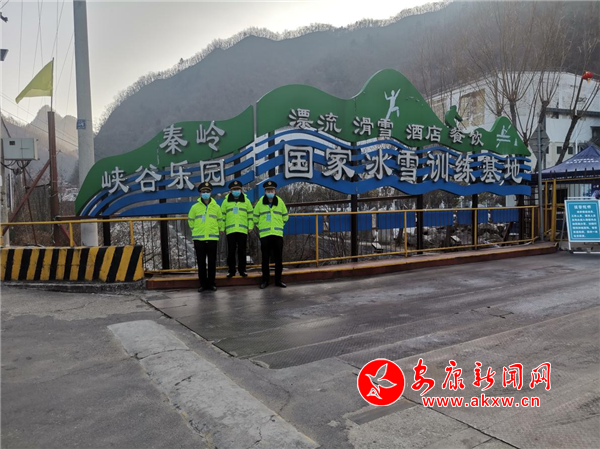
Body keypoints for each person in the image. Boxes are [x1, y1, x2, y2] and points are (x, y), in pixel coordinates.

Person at [188, 182, 224, 292]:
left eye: (207, 191)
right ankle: (203, 284)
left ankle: (212, 283)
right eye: (203, 191)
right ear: (200, 193)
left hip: (212, 238)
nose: (205, 193)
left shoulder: (216, 207)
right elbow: (190, 220)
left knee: (212, 263)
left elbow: (220, 220)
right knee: (201, 263)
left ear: (210, 192)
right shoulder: (195, 207)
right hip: (199, 239)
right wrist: (195, 230)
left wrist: (221, 229)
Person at [253, 180, 289, 289]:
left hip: (277, 234)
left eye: (272, 190)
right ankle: (265, 281)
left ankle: (278, 280)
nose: (270, 192)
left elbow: (285, 217)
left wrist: (279, 226)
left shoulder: (280, 202)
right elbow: (255, 218)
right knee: (265, 259)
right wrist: (261, 227)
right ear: (265, 191)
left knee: (278, 259)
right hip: (265, 235)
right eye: (268, 190)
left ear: (275, 191)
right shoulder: (260, 203)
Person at [221, 180, 254, 278]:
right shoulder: (226, 201)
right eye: (234, 189)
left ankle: (242, 270)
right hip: (230, 230)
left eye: (238, 189)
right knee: (231, 251)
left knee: (242, 251)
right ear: (231, 191)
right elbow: (222, 216)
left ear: (241, 190)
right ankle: (231, 271)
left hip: (242, 230)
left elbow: (250, 215)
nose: (236, 191)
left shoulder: (246, 201)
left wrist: (250, 226)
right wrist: (222, 228)